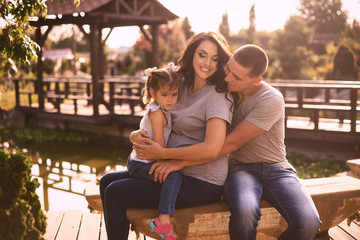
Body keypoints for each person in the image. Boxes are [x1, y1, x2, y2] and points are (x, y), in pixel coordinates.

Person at [134, 44, 322, 240]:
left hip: (277, 170)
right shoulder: (225, 89)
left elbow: (228, 145)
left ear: (256, 80)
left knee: (309, 222)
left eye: (237, 77)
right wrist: (135, 134)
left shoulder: (271, 99)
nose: (227, 78)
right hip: (241, 170)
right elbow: (165, 89)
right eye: (229, 69)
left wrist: (178, 161)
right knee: (245, 211)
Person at [100, 31, 234, 240]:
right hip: (172, 168)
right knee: (107, 180)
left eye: (215, 59)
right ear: (191, 55)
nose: (207, 63)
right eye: (202, 55)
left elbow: (212, 148)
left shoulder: (217, 96)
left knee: (115, 192)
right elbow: (154, 107)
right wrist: (135, 135)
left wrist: (163, 154)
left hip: (201, 180)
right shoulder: (180, 83)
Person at [127, 65, 181, 240]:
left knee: (171, 174)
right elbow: (159, 144)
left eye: (174, 94)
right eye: (165, 95)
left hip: (145, 160)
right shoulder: (157, 112)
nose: (170, 99)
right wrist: (172, 160)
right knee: (173, 176)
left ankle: (163, 219)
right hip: (140, 163)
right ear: (153, 92)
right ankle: (162, 220)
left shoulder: (162, 108)